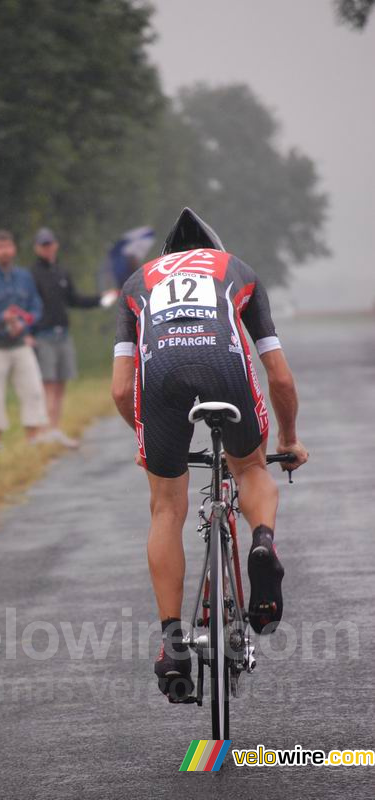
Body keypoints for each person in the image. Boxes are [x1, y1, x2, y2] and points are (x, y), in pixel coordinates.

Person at [111, 207, 309, 701]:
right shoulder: (237, 270)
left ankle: (172, 640)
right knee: (249, 467)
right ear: (212, 253)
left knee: (166, 506)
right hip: (224, 365)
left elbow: (119, 391)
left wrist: (153, 441)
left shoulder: (138, 281)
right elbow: (280, 377)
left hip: (159, 381)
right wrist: (287, 439)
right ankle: (261, 541)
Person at [31, 227, 117, 448]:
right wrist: (29, 334)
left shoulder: (62, 272)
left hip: (63, 334)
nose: (48, 248)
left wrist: (101, 299)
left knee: (61, 383)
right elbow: (28, 306)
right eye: (43, 245)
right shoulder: (32, 274)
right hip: (43, 334)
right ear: (37, 248)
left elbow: (74, 300)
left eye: (50, 244)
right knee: (47, 384)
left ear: (55, 245)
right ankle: (43, 431)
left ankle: (54, 428)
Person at [0, 229, 49, 449]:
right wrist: (0, 318)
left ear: (13, 249)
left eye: (7, 247)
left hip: (20, 342)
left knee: (33, 388)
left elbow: (36, 307)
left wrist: (25, 323)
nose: (4, 252)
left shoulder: (24, 277)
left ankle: (33, 437)